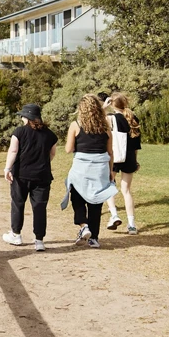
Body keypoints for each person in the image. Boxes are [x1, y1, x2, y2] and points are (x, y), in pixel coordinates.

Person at [60, 94, 117, 249]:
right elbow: (110, 151)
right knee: (96, 202)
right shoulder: (105, 126)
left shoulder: (76, 125)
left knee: (77, 198)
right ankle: (94, 238)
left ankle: (83, 225)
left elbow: (68, 149)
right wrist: (112, 171)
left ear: (81, 109)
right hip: (100, 168)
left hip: (81, 168)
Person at [1, 104, 58, 251]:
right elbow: (52, 154)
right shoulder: (50, 135)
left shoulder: (19, 132)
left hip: (21, 174)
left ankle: (16, 234)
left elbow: (13, 151)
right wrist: (42, 163)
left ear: (27, 117)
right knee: (39, 207)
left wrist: (7, 168)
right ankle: (39, 240)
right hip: (42, 175)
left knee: (18, 203)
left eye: (22, 116)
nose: (21, 118)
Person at [105, 93, 141, 234]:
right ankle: (131, 224)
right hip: (130, 156)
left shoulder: (111, 118)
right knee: (126, 191)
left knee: (109, 186)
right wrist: (135, 160)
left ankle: (114, 215)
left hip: (115, 156)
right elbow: (136, 143)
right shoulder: (133, 118)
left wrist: (103, 107)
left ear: (112, 104)